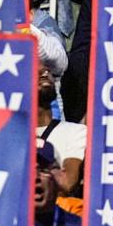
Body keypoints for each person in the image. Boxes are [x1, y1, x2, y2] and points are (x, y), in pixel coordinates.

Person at [37, 66, 86, 196]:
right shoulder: (12, 133)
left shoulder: (77, 131)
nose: (45, 74)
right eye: (35, 72)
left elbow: (67, 183)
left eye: (48, 71)